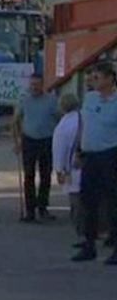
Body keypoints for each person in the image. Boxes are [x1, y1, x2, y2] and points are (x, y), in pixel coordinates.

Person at [72, 62, 117, 264]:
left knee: (112, 202)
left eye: (97, 77)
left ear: (110, 79)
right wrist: (79, 150)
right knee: (88, 201)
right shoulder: (90, 98)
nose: (93, 81)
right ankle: (89, 245)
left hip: (110, 155)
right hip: (90, 156)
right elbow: (83, 124)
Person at [13, 73, 59, 223]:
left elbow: (59, 119)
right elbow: (16, 121)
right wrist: (17, 141)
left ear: (42, 85)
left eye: (37, 84)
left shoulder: (51, 100)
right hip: (29, 140)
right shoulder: (24, 100)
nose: (34, 87)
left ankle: (43, 207)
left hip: (46, 140)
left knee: (46, 175)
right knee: (29, 176)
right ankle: (30, 210)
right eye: (32, 84)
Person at [52, 93, 84, 247]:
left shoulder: (63, 126)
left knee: (76, 203)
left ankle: (82, 234)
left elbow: (59, 149)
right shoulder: (85, 119)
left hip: (72, 169)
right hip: (89, 166)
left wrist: (58, 170)